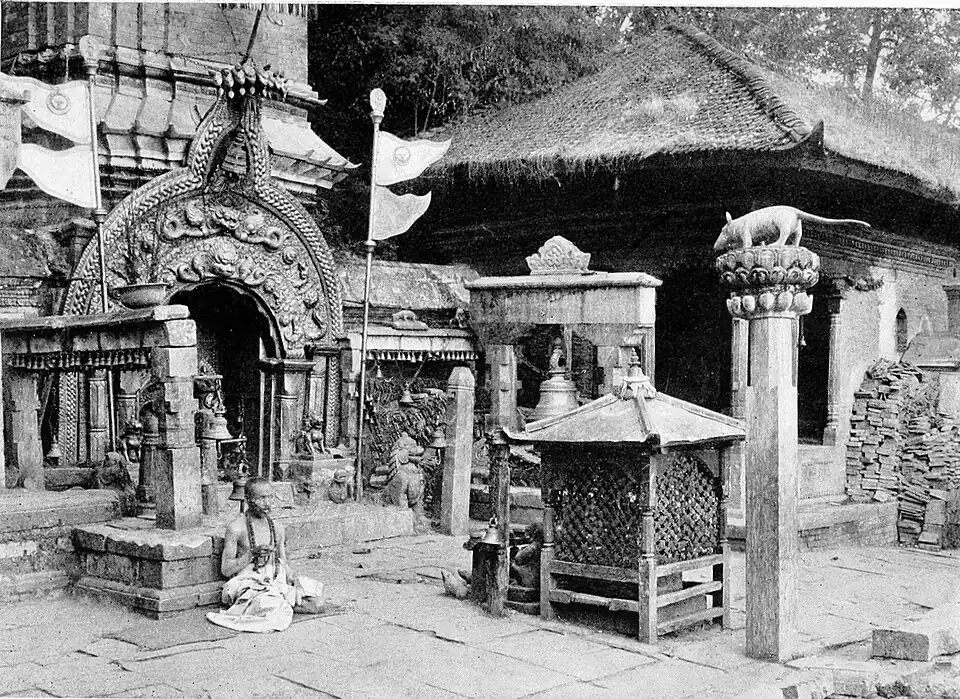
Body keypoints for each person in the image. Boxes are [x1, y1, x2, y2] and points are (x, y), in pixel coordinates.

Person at [206, 477, 323, 632]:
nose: (268, 503)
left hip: (276, 581)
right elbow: (226, 570)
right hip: (250, 583)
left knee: (318, 603)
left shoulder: (277, 527)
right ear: (248, 499)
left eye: (270, 497)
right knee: (270, 605)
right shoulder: (236, 528)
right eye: (262, 498)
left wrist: (292, 580)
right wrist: (251, 554)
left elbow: (283, 563)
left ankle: (280, 603)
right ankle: (276, 604)